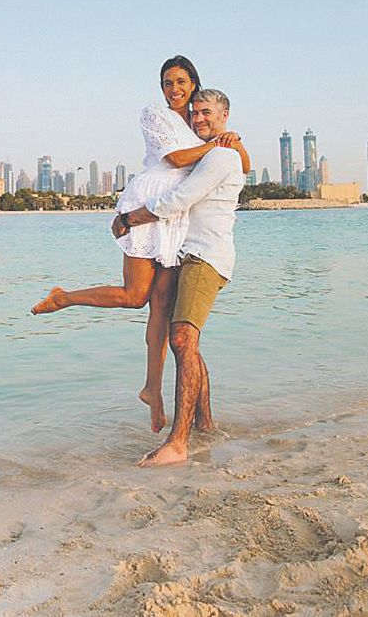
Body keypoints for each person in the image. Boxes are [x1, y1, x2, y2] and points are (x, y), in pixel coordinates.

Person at [31, 58, 250, 433]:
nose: (174, 89)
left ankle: (154, 390)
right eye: (167, 83)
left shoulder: (202, 120)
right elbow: (176, 158)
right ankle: (65, 297)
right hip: (149, 204)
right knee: (136, 295)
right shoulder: (157, 116)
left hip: (179, 218)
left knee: (163, 306)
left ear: (194, 83)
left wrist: (229, 142)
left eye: (181, 81)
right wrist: (218, 143)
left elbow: (240, 163)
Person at [111, 89, 244, 467]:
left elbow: (179, 200)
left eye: (207, 112)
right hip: (190, 256)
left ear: (225, 115)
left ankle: (178, 442)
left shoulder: (220, 156)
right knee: (188, 344)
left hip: (206, 257)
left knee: (183, 338)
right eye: (196, 112)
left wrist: (130, 218)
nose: (200, 118)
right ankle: (204, 423)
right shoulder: (209, 154)